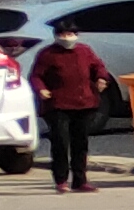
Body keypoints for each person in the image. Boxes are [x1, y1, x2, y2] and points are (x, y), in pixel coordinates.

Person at [29, 17, 106, 192]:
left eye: (70, 34)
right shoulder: (47, 54)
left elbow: (98, 67)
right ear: (56, 36)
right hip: (57, 105)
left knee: (81, 143)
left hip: (84, 103)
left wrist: (101, 78)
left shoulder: (85, 51)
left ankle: (80, 180)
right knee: (61, 143)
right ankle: (61, 180)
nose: (67, 37)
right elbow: (36, 76)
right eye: (63, 34)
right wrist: (41, 90)